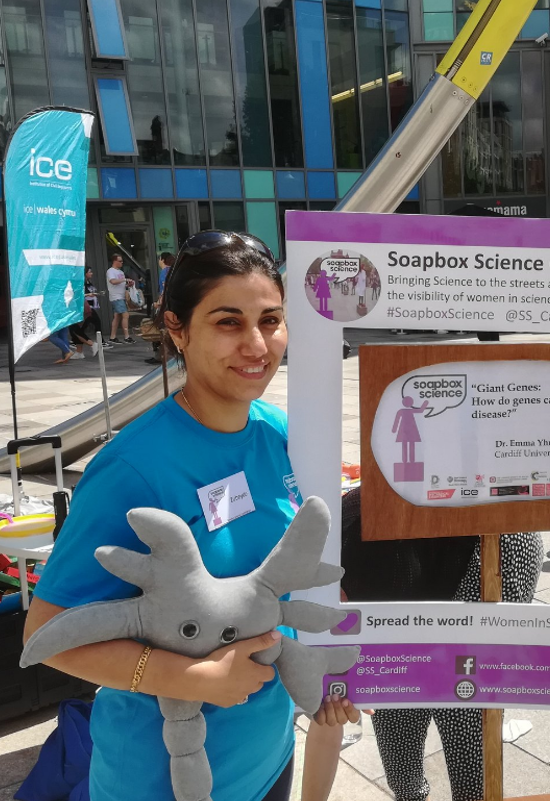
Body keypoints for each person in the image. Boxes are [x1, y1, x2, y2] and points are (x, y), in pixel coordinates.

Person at [24, 231, 358, 801]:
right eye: (228, 322)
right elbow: (48, 636)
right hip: (161, 780)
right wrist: (186, 678)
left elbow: (277, 580)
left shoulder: (279, 436)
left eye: (271, 320)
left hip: (267, 756)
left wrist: (329, 660)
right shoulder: (131, 469)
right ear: (177, 329)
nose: (257, 344)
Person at [302, 486, 543, 801]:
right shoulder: (355, 517)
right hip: (390, 553)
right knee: (401, 750)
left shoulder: (511, 533)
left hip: (486, 542)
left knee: (470, 735)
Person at [146, 253, 177, 365]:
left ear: (162, 260)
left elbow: (165, 289)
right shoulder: (174, 270)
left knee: (162, 331)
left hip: (166, 306)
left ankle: (165, 357)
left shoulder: (165, 271)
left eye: (159, 259)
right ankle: (161, 355)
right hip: (173, 305)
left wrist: (158, 303)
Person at [106, 253, 135, 345]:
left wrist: (128, 284)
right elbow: (113, 281)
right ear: (114, 261)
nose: (122, 263)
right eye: (120, 261)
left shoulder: (121, 272)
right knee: (125, 315)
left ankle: (112, 337)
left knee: (117, 317)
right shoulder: (110, 271)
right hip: (116, 297)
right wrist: (124, 280)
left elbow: (121, 284)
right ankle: (126, 336)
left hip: (121, 296)